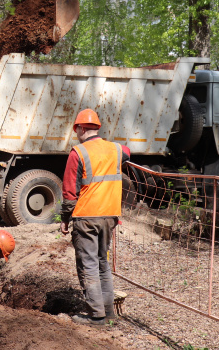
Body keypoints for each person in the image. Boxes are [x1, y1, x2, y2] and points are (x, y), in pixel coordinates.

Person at [61, 108, 129, 326]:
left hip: (87, 216)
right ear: (97, 128)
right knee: (102, 263)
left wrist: (64, 219)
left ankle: (96, 316)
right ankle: (109, 313)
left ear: (81, 128)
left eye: (77, 129)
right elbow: (128, 151)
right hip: (110, 216)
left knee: (88, 265)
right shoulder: (117, 149)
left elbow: (70, 192)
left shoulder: (77, 152)